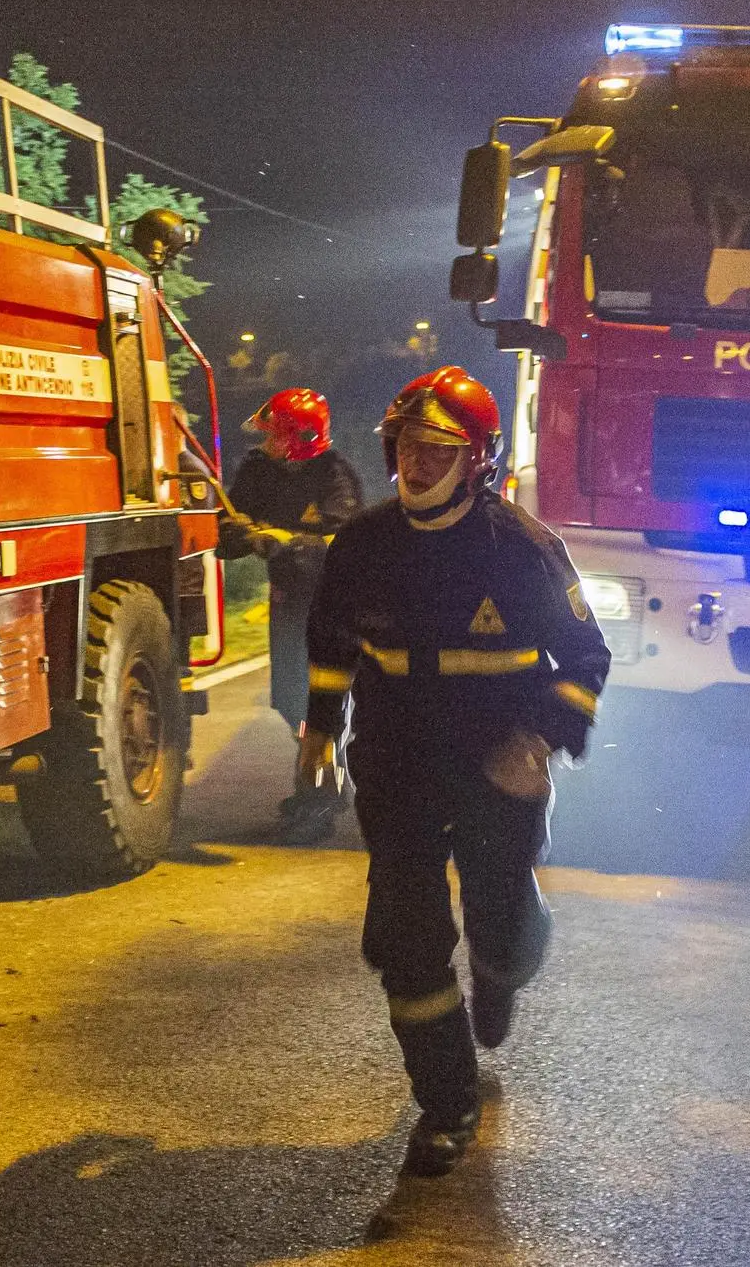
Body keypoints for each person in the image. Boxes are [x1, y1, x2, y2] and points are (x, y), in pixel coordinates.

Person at [298, 366, 610, 1177]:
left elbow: (585, 657)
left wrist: (536, 741)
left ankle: (501, 965)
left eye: (439, 447)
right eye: (405, 443)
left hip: (495, 762)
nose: (417, 460)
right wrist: (321, 726)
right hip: (396, 760)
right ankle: (446, 1101)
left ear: (476, 459)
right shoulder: (360, 544)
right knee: (403, 939)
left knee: (498, 924)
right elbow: (332, 643)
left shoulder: (525, 548)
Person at [218, 387, 364, 842]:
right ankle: (325, 774)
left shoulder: (335, 477)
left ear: (299, 437)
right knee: (289, 701)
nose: (266, 444)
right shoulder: (259, 470)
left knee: (316, 699)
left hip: (333, 605)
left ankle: (319, 793)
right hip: (288, 602)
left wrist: (285, 540)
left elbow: (346, 545)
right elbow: (227, 532)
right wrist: (238, 531)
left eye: (274, 436)